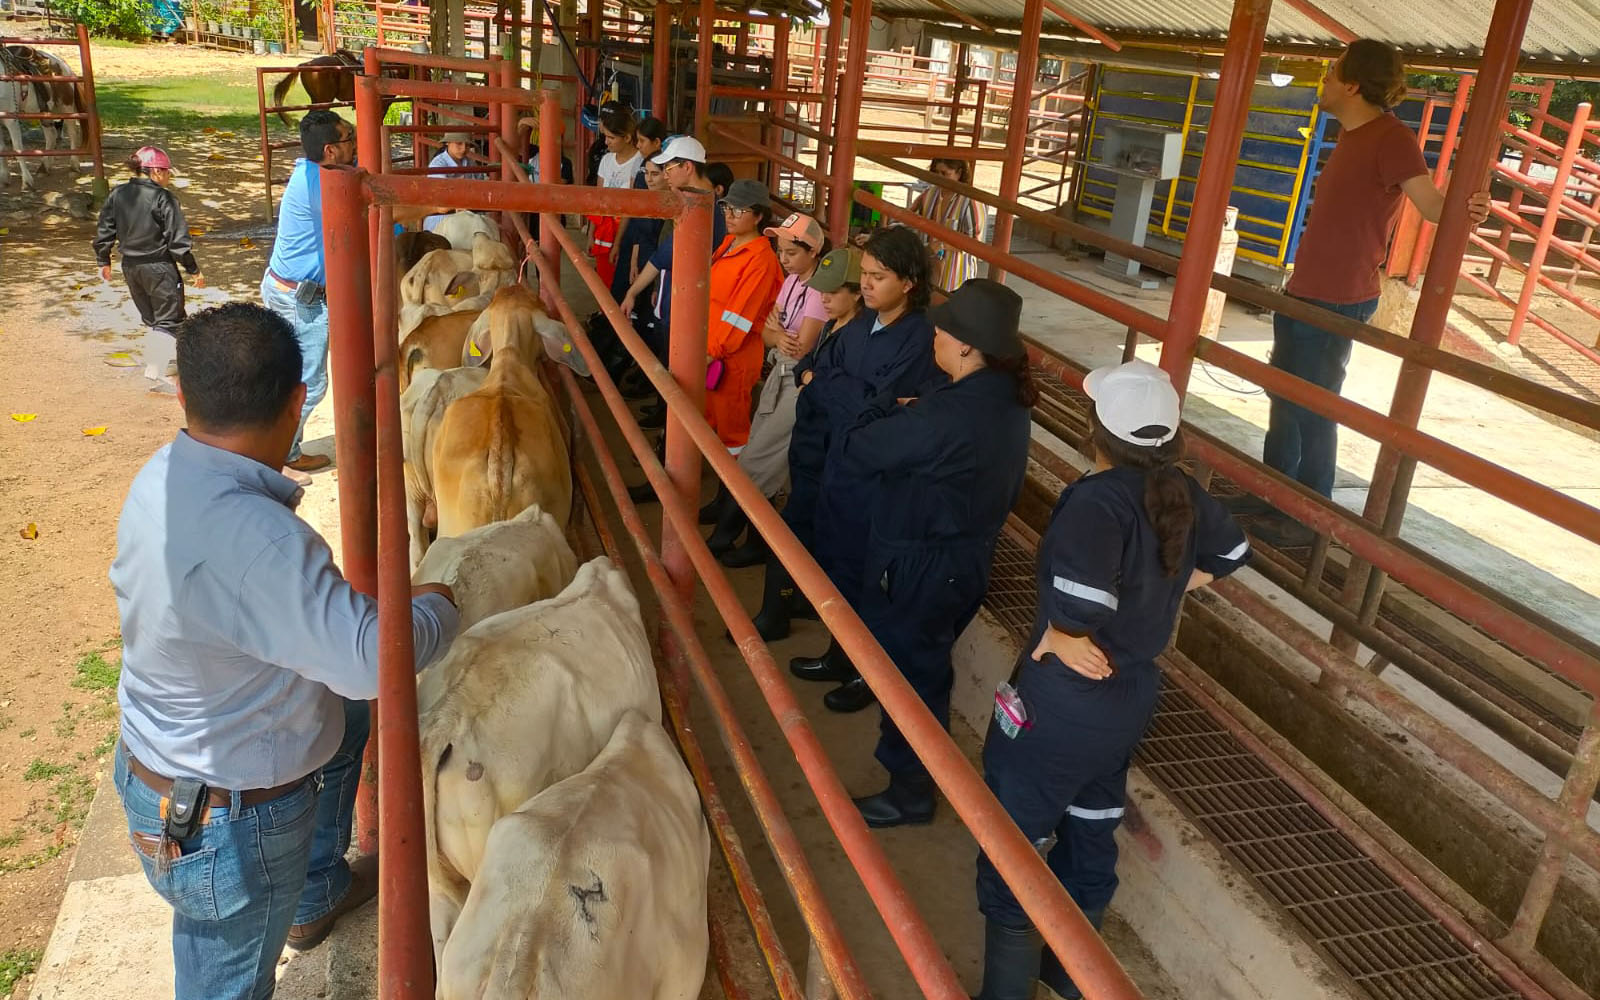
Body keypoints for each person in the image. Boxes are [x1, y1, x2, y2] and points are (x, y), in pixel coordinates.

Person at [109, 303, 460, 1000]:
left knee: (348, 716)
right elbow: (370, 659)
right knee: (227, 980)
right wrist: (440, 605)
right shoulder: (259, 541)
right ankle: (290, 897)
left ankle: (315, 892)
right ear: (301, 401)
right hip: (228, 827)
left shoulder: (161, 478)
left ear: (184, 395)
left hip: (166, 763)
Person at [972, 360, 1250, 1000]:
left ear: (1093, 429)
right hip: (1129, 697)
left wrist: (1062, 638)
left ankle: (1004, 993)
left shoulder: (1097, 503)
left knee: (1015, 833)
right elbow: (1231, 555)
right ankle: (1070, 978)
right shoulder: (1180, 489)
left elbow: (1080, 610)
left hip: (1068, 699)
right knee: (1091, 820)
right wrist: (1172, 590)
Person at [1237, 39, 1490, 546]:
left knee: (1313, 404)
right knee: (1285, 397)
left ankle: (1308, 513)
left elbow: (1434, 207)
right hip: (1308, 287)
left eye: (1332, 75)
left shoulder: (1390, 138)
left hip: (1336, 295)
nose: (1324, 83)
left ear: (1352, 85)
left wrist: (1473, 204)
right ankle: (1273, 494)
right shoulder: (1353, 135)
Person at [832, 279, 1035, 827]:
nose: (935, 338)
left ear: (967, 346)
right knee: (921, 666)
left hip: (922, 561)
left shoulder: (945, 414)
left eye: (943, 331)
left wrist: (879, 409)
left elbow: (858, 449)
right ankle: (910, 778)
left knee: (912, 677)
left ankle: (911, 790)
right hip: (965, 559)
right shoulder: (1001, 400)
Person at [787, 227, 942, 708]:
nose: (868, 285)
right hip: (839, 464)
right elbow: (808, 365)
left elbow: (868, 406)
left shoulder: (917, 339)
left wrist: (824, 383)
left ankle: (867, 675)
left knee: (869, 577)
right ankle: (840, 653)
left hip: (877, 480)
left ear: (909, 282)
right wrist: (830, 383)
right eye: (867, 275)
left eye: (879, 276)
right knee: (838, 566)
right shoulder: (861, 324)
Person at [747, 247, 865, 640]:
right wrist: (810, 377)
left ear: (857, 292)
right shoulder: (836, 326)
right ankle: (794, 602)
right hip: (811, 448)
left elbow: (837, 393)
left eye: (833, 292)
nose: (824, 299)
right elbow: (801, 366)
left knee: (795, 528)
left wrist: (813, 379)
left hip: (827, 454)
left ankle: (774, 615)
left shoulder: (858, 338)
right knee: (804, 527)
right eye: (822, 292)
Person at [707, 212, 830, 567]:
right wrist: (776, 334)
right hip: (780, 371)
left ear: (814, 251)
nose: (784, 258)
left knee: (759, 459)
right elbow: (767, 330)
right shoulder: (792, 282)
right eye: (781, 250)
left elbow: (800, 346)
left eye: (792, 252)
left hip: (798, 380)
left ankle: (727, 536)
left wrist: (776, 333)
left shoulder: (818, 291)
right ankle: (753, 540)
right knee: (765, 458)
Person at [260, 110, 354, 487]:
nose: (355, 145)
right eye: (349, 139)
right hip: (302, 299)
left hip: (285, 288)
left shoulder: (308, 171)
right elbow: (371, 212)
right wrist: (432, 206)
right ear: (331, 150)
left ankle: (278, 450)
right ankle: (279, 459)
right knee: (311, 382)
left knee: (288, 376)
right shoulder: (322, 187)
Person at [617, 135, 728, 432]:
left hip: (689, 309)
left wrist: (632, 292)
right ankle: (665, 420)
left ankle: (672, 441)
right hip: (673, 300)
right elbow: (661, 258)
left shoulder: (707, 212)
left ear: (688, 167)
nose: (664, 175)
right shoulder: (694, 204)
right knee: (672, 369)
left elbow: (659, 259)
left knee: (681, 376)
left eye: (668, 168)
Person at [94, 145, 205, 395]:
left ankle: (167, 363)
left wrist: (103, 260)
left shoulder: (118, 194)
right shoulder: (163, 198)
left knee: (155, 319)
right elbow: (177, 240)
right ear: (155, 171)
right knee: (169, 319)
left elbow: (104, 230)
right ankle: (156, 372)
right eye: (166, 172)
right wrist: (193, 269)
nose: (168, 178)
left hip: (131, 268)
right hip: (159, 267)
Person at [702, 178, 784, 456]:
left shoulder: (761, 260)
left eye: (739, 211)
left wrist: (712, 352)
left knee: (732, 431)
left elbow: (740, 315)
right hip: (715, 350)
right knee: (710, 418)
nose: (730, 215)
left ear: (759, 216)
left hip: (733, 358)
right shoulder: (729, 244)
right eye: (727, 208)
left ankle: (735, 494)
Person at [587, 107, 644, 288]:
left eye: (611, 138)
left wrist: (618, 243)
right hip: (604, 228)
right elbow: (598, 200)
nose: (606, 142)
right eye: (606, 137)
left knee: (620, 280)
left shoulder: (640, 162)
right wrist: (591, 234)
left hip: (625, 229)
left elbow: (631, 205)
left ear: (627, 138)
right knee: (604, 279)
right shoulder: (606, 160)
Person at [910, 157, 984, 292]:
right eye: (936, 173)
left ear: (959, 173)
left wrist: (942, 245)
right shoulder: (929, 194)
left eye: (945, 174)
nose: (939, 178)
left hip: (956, 277)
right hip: (928, 268)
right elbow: (908, 217)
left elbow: (975, 244)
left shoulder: (971, 201)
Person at [422, 130, 485, 231]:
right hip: (441, 217)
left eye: (467, 145)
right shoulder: (437, 164)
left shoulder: (470, 163)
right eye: (459, 143)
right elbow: (443, 193)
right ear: (448, 143)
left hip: (466, 213)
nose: (464, 148)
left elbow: (481, 187)